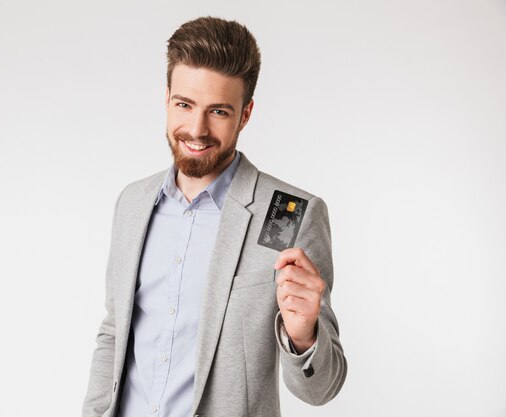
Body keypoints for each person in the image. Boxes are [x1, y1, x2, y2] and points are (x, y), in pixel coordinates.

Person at [82, 16, 347, 417]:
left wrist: (303, 334)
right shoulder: (133, 203)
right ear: (166, 97)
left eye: (219, 111)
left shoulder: (289, 214)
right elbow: (114, 332)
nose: (196, 129)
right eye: (184, 105)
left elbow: (321, 390)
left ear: (245, 114)